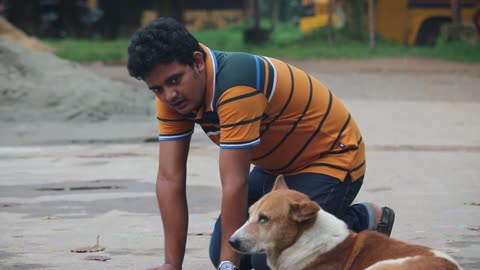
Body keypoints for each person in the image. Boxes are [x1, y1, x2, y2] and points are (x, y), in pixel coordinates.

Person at [127, 17, 395, 270]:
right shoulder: (171, 97)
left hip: (330, 158)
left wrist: (227, 266)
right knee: (234, 250)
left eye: (174, 80)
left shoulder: (235, 86)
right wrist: (172, 264)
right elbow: (169, 178)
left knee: (266, 259)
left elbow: (235, 182)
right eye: (157, 88)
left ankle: (361, 220)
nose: (169, 95)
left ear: (197, 62)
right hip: (276, 169)